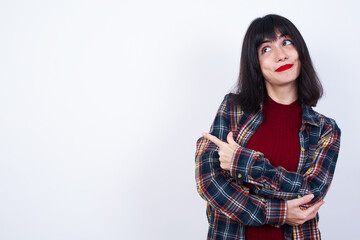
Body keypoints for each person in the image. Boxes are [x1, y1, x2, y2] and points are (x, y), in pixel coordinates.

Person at [195, 14, 341, 240]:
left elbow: (310, 192)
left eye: (286, 42)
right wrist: (280, 212)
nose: (281, 55)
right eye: (266, 49)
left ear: (299, 51)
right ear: (256, 63)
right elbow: (209, 181)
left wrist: (241, 162)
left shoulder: (325, 129)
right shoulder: (233, 109)